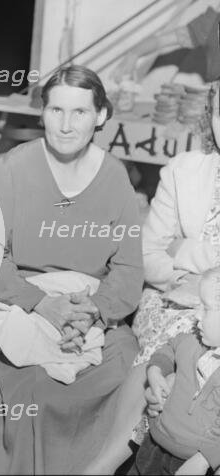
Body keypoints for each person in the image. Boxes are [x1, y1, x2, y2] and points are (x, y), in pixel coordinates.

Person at [0, 65, 143, 474]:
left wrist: (94, 312)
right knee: (36, 390)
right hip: (26, 310)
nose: (66, 125)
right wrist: (42, 305)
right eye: (56, 111)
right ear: (42, 113)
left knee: (124, 364)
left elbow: (128, 266)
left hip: (93, 313)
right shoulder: (15, 167)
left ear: (101, 116)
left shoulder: (115, 176)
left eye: (80, 113)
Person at [86, 85, 220, 474]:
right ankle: (107, 463)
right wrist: (185, 269)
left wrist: (189, 252)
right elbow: (146, 255)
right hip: (171, 295)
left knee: (191, 335)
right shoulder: (184, 170)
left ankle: (107, 464)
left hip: (208, 307)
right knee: (171, 335)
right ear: (209, 115)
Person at [131, 267, 220, 475]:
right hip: (153, 445)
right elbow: (169, 348)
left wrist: (205, 459)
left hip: (191, 463)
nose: (197, 315)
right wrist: (155, 371)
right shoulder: (193, 341)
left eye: (206, 308)